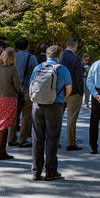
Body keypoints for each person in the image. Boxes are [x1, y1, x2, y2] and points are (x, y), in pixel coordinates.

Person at [30, 45, 72, 181]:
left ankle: (36, 171)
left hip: (37, 105)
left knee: (37, 138)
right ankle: (51, 171)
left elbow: (32, 85)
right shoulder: (63, 70)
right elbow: (69, 89)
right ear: (59, 56)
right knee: (52, 138)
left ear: (47, 55)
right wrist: (61, 100)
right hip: (54, 106)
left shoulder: (38, 68)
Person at [0, 47, 20, 160]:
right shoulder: (13, 69)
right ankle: (2, 152)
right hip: (8, 97)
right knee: (4, 125)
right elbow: (16, 85)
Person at [9, 37, 37, 147]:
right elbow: (35, 73)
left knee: (14, 114)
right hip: (26, 89)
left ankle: (11, 138)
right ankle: (23, 139)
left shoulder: (13, 57)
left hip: (14, 89)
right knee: (26, 115)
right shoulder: (31, 57)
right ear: (27, 46)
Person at [58, 37, 84, 151]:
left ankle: (54, 140)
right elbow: (78, 78)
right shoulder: (76, 58)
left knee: (57, 118)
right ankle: (71, 142)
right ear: (75, 46)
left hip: (59, 91)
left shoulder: (59, 56)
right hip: (73, 92)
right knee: (71, 118)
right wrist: (81, 92)